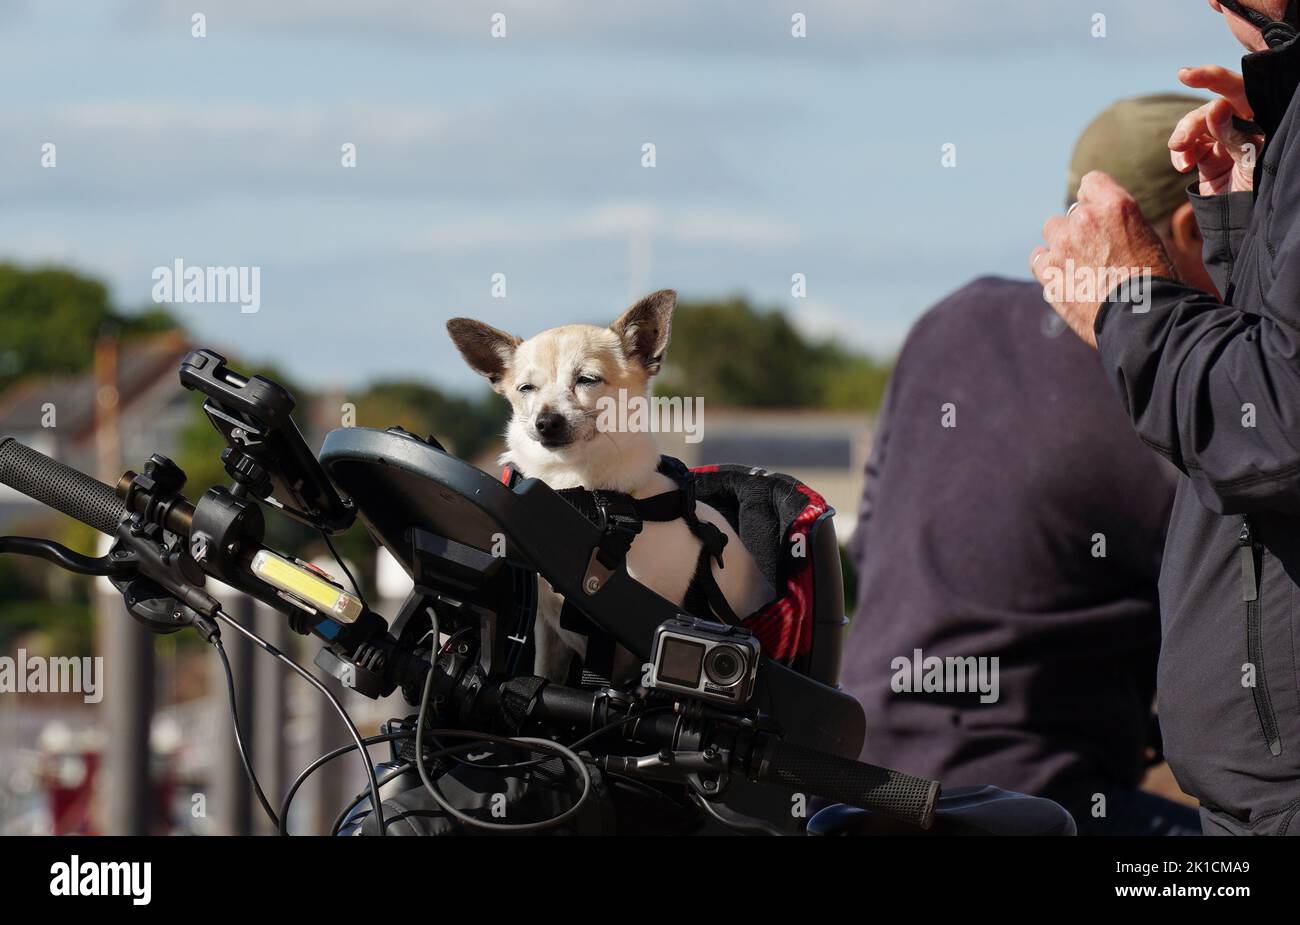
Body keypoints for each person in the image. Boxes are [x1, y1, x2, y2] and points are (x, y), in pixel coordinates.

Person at [842, 95, 1217, 835]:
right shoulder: (1164, 390)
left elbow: (870, 540)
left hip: (859, 783)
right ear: (1187, 228)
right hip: (1040, 804)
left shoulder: (953, 317)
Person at [1030, 1, 1300, 835]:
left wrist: (1133, 306)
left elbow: (1270, 433)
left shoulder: (950, 326)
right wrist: (1250, 227)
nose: (1215, 10)